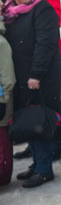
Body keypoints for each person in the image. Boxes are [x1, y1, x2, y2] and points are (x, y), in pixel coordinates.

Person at [3, 0, 61, 188]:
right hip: (22, 76)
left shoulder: (42, 9)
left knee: (39, 120)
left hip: (40, 77)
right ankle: (38, 163)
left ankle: (45, 169)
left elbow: (46, 44)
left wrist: (36, 74)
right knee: (28, 120)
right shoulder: (10, 12)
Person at [15, 0, 61, 161]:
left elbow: (49, 29)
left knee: (52, 102)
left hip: (48, 54)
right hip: (34, 55)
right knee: (34, 104)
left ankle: (58, 142)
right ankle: (34, 141)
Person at [0, 16, 16, 186]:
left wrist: (2, 100)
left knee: (2, 140)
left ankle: (3, 175)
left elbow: (7, 76)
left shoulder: (1, 43)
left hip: (1, 99)